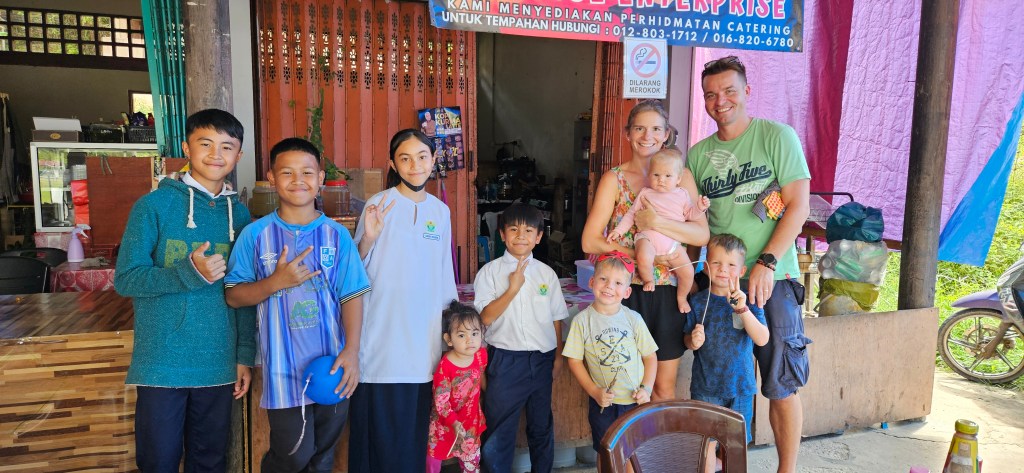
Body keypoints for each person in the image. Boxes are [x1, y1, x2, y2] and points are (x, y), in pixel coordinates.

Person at [686, 55, 812, 473]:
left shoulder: (777, 136)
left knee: (780, 383)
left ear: (747, 92)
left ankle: (786, 470)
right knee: (721, 384)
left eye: (729, 91)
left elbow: (798, 205)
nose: (720, 101)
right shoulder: (698, 156)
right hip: (720, 283)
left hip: (774, 279)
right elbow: (694, 224)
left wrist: (767, 262)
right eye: (710, 94)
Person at [115, 108, 255, 471]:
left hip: (218, 362)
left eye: (227, 147)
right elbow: (127, 278)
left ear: (238, 155)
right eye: (205, 144)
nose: (216, 154)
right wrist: (188, 273)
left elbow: (244, 294)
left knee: (209, 461)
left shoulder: (240, 217)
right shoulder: (153, 206)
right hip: (161, 362)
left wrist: (244, 354)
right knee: (158, 461)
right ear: (186, 148)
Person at [224, 137, 370, 472]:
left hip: (333, 364)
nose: (298, 180)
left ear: (320, 178)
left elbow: (352, 295)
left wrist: (351, 351)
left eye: (307, 172)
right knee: (293, 455)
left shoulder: (337, 236)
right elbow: (233, 295)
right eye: (286, 172)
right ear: (271, 178)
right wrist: (275, 282)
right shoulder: (255, 235)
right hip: (282, 368)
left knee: (323, 456)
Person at [581, 99, 709, 401]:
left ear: (666, 134)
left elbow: (701, 234)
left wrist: (657, 223)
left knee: (662, 387)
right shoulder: (615, 179)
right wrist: (639, 257)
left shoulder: (681, 177)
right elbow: (590, 241)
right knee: (627, 385)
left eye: (655, 129)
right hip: (624, 293)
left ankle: (659, 436)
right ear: (627, 133)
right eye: (639, 128)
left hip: (667, 294)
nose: (647, 136)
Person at [349, 129, 458, 473]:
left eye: (422, 157)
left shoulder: (440, 212)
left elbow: (445, 273)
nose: (415, 165)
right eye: (405, 158)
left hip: (423, 339)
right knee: (378, 432)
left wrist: (451, 329)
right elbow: (353, 269)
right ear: (393, 164)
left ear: (434, 160)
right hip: (381, 337)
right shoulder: (378, 204)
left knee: (413, 432)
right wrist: (368, 238)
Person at [474, 203, 569, 473]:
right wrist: (512, 289)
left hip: (541, 359)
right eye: (514, 229)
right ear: (502, 234)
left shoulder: (546, 274)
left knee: (541, 425)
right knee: (499, 429)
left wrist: (558, 357)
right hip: (505, 361)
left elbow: (556, 318)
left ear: (538, 237)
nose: (521, 236)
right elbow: (485, 318)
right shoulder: (489, 273)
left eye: (528, 231)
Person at [683, 234, 769, 472]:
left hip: (740, 387)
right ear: (705, 266)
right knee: (706, 443)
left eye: (731, 265)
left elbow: (762, 338)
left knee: (734, 446)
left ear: (742, 271)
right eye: (716, 263)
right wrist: (693, 341)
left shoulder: (750, 301)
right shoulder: (697, 302)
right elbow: (686, 340)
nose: (723, 270)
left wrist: (742, 309)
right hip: (705, 388)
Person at [563, 251, 658, 454]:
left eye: (618, 283)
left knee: (635, 454)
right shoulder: (582, 321)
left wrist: (647, 389)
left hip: (635, 402)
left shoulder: (634, 319)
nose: (609, 286)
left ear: (627, 292)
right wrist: (594, 392)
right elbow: (574, 361)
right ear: (591, 282)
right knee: (606, 453)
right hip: (603, 403)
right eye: (603, 279)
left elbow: (650, 356)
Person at [607, 148, 710, 312]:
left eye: (668, 176)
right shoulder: (645, 194)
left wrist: (700, 208)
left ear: (678, 179)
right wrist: (618, 231)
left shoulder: (682, 195)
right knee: (643, 257)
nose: (661, 180)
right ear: (649, 175)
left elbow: (691, 215)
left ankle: (681, 298)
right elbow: (631, 214)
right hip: (647, 238)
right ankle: (649, 280)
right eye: (656, 175)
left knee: (688, 272)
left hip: (672, 245)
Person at [427, 301, 488, 473]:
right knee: (433, 459)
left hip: (470, 421)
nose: (470, 340)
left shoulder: (481, 355)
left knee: (471, 461)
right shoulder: (445, 367)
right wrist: (453, 422)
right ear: (449, 339)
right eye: (461, 335)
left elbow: (481, 377)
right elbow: (441, 402)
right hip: (445, 422)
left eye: (475, 333)